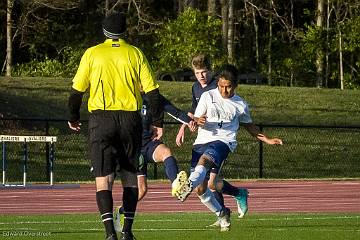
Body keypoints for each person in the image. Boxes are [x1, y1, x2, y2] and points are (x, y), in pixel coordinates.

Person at [67, 13, 163, 240]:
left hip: (101, 119)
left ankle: (110, 233)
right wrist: (158, 122)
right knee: (130, 176)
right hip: (130, 120)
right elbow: (153, 93)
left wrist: (73, 116)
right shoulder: (135, 53)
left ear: (104, 32)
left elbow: (76, 92)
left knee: (104, 177)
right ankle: (127, 231)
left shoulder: (92, 53)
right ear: (124, 31)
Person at [173, 64, 283, 230]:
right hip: (201, 141)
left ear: (235, 85)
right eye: (221, 86)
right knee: (203, 188)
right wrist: (196, 122)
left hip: (223, 142)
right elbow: (195, 120)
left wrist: (267, 140)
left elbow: (250, 126)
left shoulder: (240, 104)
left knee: (205, 161)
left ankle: (186, 185)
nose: (224, 91)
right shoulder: (207, 96)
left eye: (228, 87)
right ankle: (222, 212)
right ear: (218, 83)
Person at [176, 54, 249, 220]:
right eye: (197, 73)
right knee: (210, 185)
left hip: (220, 140)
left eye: (204, 72)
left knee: (210, 181)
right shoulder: (196, 88)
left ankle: (220, 209)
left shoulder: (218, 86)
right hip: (203, 139)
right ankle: (233, 199)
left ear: (211, 72)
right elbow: (194, 113)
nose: (201, 76)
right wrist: (186, 126)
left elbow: (234, 109)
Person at [113, 93, 196, 232]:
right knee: (141, 190)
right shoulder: (124, 95)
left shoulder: (154, 97)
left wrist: (190, 121)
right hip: (133, 149)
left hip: (149, 144)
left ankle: (176, 184)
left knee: (166, 152)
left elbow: (175, 111)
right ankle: (120, 211)